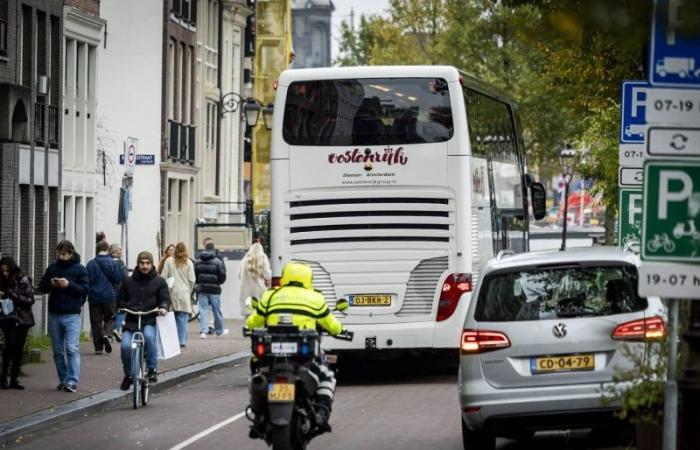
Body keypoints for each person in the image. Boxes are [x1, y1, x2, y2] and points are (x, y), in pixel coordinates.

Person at [246, 261, 343, 431]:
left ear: (285, 277)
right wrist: (341, 330)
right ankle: (321, 412)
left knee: (257, 369)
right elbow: (334, 327)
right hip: (302, 356)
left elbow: (253, 322)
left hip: (272, 354)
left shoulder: (270, 296)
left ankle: (259, 413)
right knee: (327, 375)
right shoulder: (315, 298)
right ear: (308, 278)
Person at [39, 240, 89, 393]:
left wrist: (69, 285)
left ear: (71, 254)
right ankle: (63, 379)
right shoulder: (53, 268)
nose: (60, 257)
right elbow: (41, 287)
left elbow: (84, 290)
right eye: (59, 254)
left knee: (72, 348)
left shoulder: (80, 270)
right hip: (54, 314)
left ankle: (72, 381)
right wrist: (51, 284)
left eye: (64, 254)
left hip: (72, 315)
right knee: (57, 350)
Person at [117, 251, 170, 390]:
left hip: (150, 318)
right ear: (138, 264)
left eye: (148, 263)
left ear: (152, 264)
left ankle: (152, 370)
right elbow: (120, 299)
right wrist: (124, 307)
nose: (145, 266)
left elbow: (165, 298)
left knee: (149, 336)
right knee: (125, 347)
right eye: (142, 263)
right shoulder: (128, 281)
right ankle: (128, 375)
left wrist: (163, 307)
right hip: (132, 321)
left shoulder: (159, 281)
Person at [0, 257, 35, 390]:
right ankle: (3, 378)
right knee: (10, 344)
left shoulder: (24, 280)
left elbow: (30, 300)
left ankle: (14, 378)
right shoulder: (1, 281)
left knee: (18, 348)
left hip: (22, 317)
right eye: (2, 271)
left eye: (7, 271)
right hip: (7, 317)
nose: (5, 274)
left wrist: (12, 295)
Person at [86, 240, 123, 354]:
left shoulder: (91, 263)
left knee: (96, 321)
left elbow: (87, 281)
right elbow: (117, 279)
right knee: (111, 317)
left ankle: (98, 348)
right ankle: (106, 334)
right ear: (107, 250)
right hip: (109, 296)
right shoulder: (113, 263)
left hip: (94, 297)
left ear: (97, 250)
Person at [161, 242, 195, 347]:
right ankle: (182, 341)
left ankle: (172, 340)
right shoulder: (189, 262)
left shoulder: (169, 261)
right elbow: (192, 280)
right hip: (184, 292)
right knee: (182, 318)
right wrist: (189, 290)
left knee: (171, 317)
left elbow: (163, 276)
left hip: (172, 292)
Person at [194, 238, 228, 339]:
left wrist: (199, 282)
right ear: (213, 248)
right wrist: (218, 283)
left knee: (203, 310)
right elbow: (222, 275)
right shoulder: (218, 261)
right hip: (214, 289)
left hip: (202, 288)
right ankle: (219, 331)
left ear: (204, 248)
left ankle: (203, 332)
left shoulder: (198, 261)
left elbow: (195, 275)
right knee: (216, 310)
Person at [238, 242, 271, 316]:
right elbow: (268, 275)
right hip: (259, 292)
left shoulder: (244, 260)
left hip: (246, 294)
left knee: (249, 315)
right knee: (259, 315)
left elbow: (239, 275)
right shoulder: (263, 258)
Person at [108, 243, 128, 342]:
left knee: (110, 313)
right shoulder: (119, 263)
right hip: (119, 290)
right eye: (120, 250)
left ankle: (108, 334)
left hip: (107, 291)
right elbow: (125, 278)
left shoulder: (107, 261)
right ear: (114, 251)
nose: (121, 251)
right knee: (121, 310)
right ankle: (115, 329)